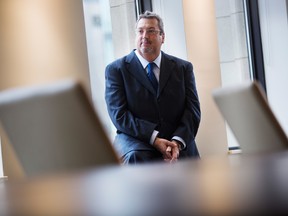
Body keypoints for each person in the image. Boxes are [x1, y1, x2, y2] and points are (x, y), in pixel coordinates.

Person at [105, 11, 201, 164]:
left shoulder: (183, 68)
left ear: (162, 37)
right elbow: (119, 115)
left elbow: (193, 111)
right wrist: (154, 139)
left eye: (151, 31)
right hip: (136, 142)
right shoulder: (116, 70)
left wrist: (176, 142)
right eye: (140, 31)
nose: (144, 36)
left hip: (177, 141)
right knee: (136, 157)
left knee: (190, 162)